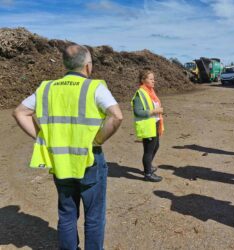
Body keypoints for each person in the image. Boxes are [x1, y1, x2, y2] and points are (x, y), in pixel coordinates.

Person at [12, 44, 123, 249]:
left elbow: (20, 112)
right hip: (89, 160)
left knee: (67, 214)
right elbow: (116, 116)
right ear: (88, 66)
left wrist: (43, 137)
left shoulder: (46, 88)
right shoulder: (95, 87)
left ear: (66, 64)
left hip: (61, 163)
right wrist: (97, 140)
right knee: (94, 216)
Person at [131, 68, 164, 182]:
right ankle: (148, 174)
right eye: (151, 79)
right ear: (143, 80)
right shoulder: (140, 94)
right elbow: (138, 111)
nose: (153, 81)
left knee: (156, 146)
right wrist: (155, 111)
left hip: (154, 124)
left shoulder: (150, 92)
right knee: (148, 151)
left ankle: (148, 166)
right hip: (147, 126)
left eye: (153, 79)